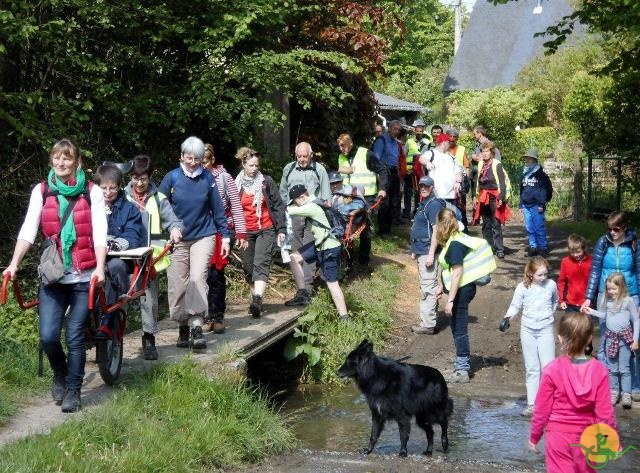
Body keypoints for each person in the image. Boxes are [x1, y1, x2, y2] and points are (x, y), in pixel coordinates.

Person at [3, 139, 107, 413]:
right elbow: (28, 230)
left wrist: (99, 266)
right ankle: (60, 374)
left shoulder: (92, 192)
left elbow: (99, 233)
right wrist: (14, 263)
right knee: (49, 336)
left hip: (84, 277)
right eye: (56, 158)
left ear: (77, 162)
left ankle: (74, 390)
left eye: (67, 158)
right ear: (52, 161)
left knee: (74, 336)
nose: (61, 163)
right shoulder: (42, 191)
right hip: (53, 277)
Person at [159, 136, 230, 350]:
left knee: (198, 278)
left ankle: (197, 326)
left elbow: (218, 209)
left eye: (196, 158)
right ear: (181, 156)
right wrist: (168, 229)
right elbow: (160, 207)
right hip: (177, 238)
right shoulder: (171, 178)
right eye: (188, 157)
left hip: (204, 235)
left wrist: (225, 236)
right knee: (178, 283)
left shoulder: (207, 178)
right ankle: (182, 324)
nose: (192, 162)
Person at [529, 313, 619, 473]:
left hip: (558, 436)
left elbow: (541, 410)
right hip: (587, 437)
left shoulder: (551, 370)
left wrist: (535, 436)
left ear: (560, 338)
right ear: (590, 339)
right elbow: (604, 413)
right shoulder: (600, 371)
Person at [124, 155, 184, 359]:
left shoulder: (159, 199)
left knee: (148, 298)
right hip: (123, 255)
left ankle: (148, 338)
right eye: (135, 178)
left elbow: (173, 221)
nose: (139, 183)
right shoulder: (119, 196)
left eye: (143, 178)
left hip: (150, 257)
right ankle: (112, 340)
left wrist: (175, 230)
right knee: (117, 295)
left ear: (150, 177)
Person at [580, 211, 640, 399]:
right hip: (606, 295)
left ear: (624, 228)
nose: (612, 232)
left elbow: (639, 272)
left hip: (630, 295)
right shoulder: (602, 242)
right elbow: (595, 271)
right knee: (607, 339)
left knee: (631, 341)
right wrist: (589, 297)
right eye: (609, 229)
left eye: (616, 229)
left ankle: (635, 386)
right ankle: (608, 385)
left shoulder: (634, 243)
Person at [501, 257, 558, 416]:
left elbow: (555, 302)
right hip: (528, 330)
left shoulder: (551, 285)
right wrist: (507, 318)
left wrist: (548, 316)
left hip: (545, 329)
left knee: (548, 368)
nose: (543, 278)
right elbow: (515, 306)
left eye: (545, 274)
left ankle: (549, 403)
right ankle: (533, 404)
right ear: (531, 274)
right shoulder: (522, 287)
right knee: (532, 368)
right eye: (540, 275)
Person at [235, 147, 286, 318]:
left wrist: (281, 229)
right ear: (243, 164)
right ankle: (256, 300)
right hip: (246, 231)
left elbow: (278, 206)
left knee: (261, 263)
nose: (254, 168)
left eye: (256, 165)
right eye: (250, 165)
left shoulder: (266, 181)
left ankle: (257, 299)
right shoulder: (236, 185)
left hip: (266, 228)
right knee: (248, 267)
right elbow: (231, 209)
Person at [202, 143, 248, 333]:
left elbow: (236, 206)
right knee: (200, 275)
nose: (200, 165)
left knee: (215, 275)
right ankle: (205, 315)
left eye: (204, 161)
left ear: (212, 160)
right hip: (199, 232)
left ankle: (217, 315)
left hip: (220, 231)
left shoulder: (223, 177)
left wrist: (241, 233)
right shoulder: (192, 178)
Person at [286, 184, 349, 321]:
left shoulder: (311, 207)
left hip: (329, 248)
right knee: (294, 258)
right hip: (321, 245)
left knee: (332, 283)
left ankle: (344, 318)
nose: (296, 205)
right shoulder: (318, 201)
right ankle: (303, 294)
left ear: (301, 197)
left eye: (296, 202)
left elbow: (288, 211)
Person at [280, 142, 331, 304]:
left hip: (312, 216)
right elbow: (282, 191)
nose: (301, 159)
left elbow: (326, 195)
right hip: (294, 216)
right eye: (299, 156)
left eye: (304, 156)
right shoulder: (289, 169)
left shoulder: (319, 169)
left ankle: (307, 289)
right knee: (296, 252)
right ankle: (301, 289)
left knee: (308, 252)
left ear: (311, 155)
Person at [94, 164, 143, 325]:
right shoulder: (89, 207)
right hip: (93, 256)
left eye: (112, 188)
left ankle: (110, 316)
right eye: (103, 188)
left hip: (119, 258)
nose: (108, 193)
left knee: (114, 267)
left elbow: (133, 235)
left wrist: (116, 244)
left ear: (119, 187)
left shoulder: (129, 209)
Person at [435, 208, 480, 383]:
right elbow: (448, 269)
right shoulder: (455, 239)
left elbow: (457, 272)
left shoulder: (454, 244)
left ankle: (462, 369)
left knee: (459, 327)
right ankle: (461, 364)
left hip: (462, 290)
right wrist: (441, 286)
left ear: (442, 225)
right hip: (460, 288)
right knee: (456, 325)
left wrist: (450, 300)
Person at [583, 273, 639, 409]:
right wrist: (591, 311)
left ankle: (626, 393)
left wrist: (635, 339)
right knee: (612, 368)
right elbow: (605, 315)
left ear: (622, 287)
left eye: (614, 289)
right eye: (609, 289)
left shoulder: (628, 301)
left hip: (625, 340)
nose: (611, 292)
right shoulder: (607, 301)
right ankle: (614, 392)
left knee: (624, 368)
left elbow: (636, 320)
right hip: (610, 339)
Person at [336, 133, 388, 265]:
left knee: (365, 227)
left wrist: (382, 188)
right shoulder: (341, 157)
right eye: (339, 146)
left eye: (343, 145)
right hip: (349, 197)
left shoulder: (365, 154)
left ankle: (364, 260)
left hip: (367, 197)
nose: (341, 148)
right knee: (348, 225)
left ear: (350, 143)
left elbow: (382, 170)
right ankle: (348, 260)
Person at [410, 176, 445, 335]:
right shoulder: (424, 203)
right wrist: (414, 250)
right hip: (421, 250)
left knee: (428, 287)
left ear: (432, 187)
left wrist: (431, 254)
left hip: (427, 251)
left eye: (426, 186)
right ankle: (430, 320)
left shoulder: (433, 204)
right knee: (427, 285)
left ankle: (428, 324)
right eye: (421, 186)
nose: (423, 188)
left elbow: (436, 230)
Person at [472, 141, 510, 258]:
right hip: (483, 197)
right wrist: (475, 196)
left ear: (491, 152)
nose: (484, 154)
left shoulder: (497, 164)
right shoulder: (480, 164)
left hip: (494, 196)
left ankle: (499, 249)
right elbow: (477, 182)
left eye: (487, 151)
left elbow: (502, 183)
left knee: (496, 223)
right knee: (486, 224)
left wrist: (501, 197)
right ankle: (488, 248)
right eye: (482, 151)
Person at [520, 148, 553, 257]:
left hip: (536, 205)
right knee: (529, 227)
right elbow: (522, 189)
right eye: (526, 159)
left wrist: (541, 204)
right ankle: (533, 247)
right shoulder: (524, 172)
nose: (527, 161)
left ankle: (542, 248)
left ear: (534, 160)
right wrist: (521, 203)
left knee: (538, 227)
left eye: (529, 159)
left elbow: (543, 190)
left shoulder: (540, 174)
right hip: (526, 205)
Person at [373, 120, 402, 234]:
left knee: (394, 202)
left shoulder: (395, 143)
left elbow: (396, 160)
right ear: (389, 128)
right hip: (385, 173)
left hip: (394, 173)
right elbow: (376, 159)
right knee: (384, 202)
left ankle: (388, 230)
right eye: (395, 129)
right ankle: (382, 231)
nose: (397, 131)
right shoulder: (381, 140)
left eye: (399, 130)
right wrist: (380, 177)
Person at [557, 234, 592, 313]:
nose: (575, 255)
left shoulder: (591, 261)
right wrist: (561, 300)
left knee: (585, 325)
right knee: (571, 325)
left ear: (584, 249)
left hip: (586, 302)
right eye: (572, 252)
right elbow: (561, 282)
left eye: (578, 252)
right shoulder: (565, 262)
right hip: (570, 303)